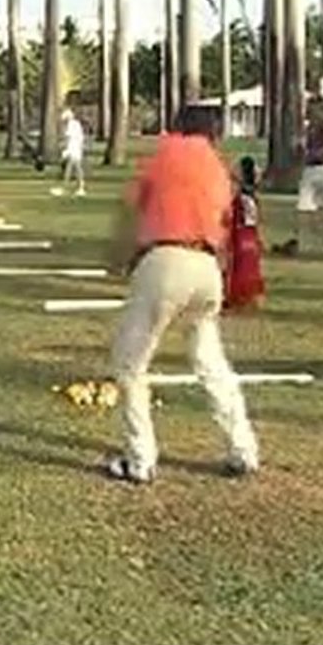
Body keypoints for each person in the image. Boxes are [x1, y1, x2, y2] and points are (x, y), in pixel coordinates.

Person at [105, 107, 261, 484]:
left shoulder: (163, 154)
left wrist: (119, 257)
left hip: (164, 262)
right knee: (210, 361)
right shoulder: (218, 167)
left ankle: (140, 459)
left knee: (129, 365)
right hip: (207, 270)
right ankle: (243, 448)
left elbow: (131, 209)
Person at [277, 95, 323, 256]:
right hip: (311, 170)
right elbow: (304, 149)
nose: (308, 112)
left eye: (311, 109)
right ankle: (297, 241)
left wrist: (313, 154)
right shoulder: (309, 128)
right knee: (303, 206)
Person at [223, 156, 266, 312]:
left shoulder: (241, 197)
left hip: (240, 236)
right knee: (250, 267)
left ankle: (234, 297)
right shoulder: (253, 197)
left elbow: (232, 216)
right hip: (251, 237)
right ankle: (250, 297)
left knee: (237, 267)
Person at [61, 109, 87, 197]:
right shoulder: (76, 124)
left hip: (73, 149)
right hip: (77, 149)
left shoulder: (71, 125)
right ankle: (80, 187)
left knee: (71, 168)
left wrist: (66, 150)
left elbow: (68, 138)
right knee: (76, 168)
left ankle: (66, 187)